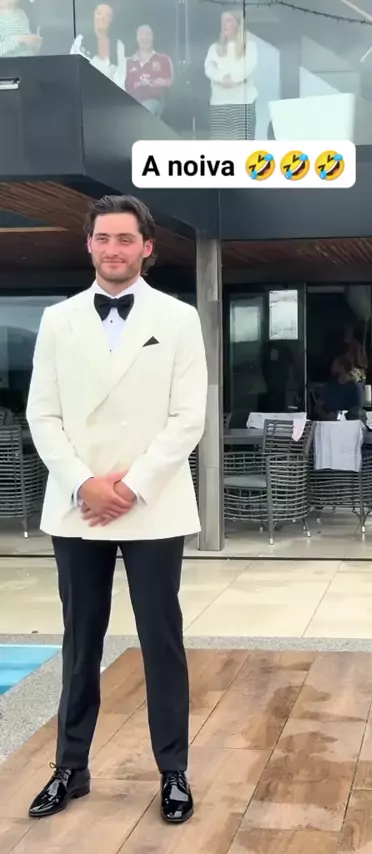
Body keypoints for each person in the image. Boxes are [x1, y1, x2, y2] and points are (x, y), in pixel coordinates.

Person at [26, 195, 207, 824]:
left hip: (152, 502)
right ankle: (69, 768)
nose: (113, 249)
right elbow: (42, 414)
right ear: (89, 244)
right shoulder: (57, 320)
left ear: (147, 247)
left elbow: (189, 416)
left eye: (126, 239)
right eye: (103, 238)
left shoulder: (179, 318)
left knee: (162, 639)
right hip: (79, 504)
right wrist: (84, 484)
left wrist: (132, 486)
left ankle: (174, 770)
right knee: (80, 641)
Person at [204, 11, 257, 140]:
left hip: (243, 105)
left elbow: (246, 68)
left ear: (238, 24)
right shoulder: (214, 48)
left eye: (228, 20)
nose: (224, 25)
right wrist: (222, 77)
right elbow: (209, 68)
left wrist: (230, 77)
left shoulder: (249, 47)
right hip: (219, 105)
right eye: (222, 21)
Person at [70, 3, 126, 89]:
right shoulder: (81, 41)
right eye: (99, 13)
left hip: (109, 94)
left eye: (107, 15)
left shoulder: (118, 46)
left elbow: (120, 80)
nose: (102, 18)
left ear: (112, 19)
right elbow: (73, 71)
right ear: (93, 16)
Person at [126, 24, 173, 117]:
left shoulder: (163, 59)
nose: (145, 37)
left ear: (153, 37)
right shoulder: (128, 62)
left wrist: (163, 82)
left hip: (153, 102)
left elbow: (170, 82)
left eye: (148, 34)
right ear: (137, 38)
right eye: (141, 34)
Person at [315, 355, 362, 421]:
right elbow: (317, 408)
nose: (332, 367)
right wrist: (327, 416)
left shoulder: (355, 388)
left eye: (335, 365)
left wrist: (340, 418)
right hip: (327, 423)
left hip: (345, 424)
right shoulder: (331, 385)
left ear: (342, 367)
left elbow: (355, 414)